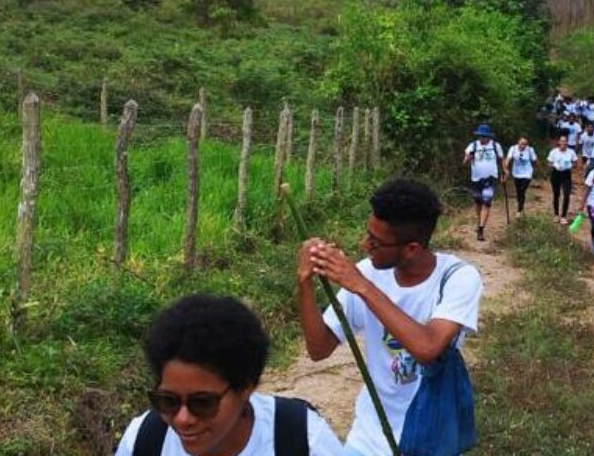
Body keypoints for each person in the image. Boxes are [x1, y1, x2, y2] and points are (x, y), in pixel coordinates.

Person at [297, 178, 483, 456]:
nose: (364, 245)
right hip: (367, 438)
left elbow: (427, 348)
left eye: (376, 242)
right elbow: (318, 349)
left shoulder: (457, 278)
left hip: (428, 435)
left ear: (411, 249)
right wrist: (304, 284)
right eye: (367, 233)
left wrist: (361, 286)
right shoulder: (367, 272)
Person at [114, 293, 343, 456]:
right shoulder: (145, 440)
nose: (183, 419)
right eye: (168, 401)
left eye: (202, 403)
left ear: (245, 388)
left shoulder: (302, 441)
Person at [462, 124, 504, 241]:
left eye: (484, 136)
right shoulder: (472, 146)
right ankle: (479, 222)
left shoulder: (495, 146)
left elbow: (501, 160)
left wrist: (505, 171)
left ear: (489, 137)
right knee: (478, 203)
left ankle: (481, 229)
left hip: (491, 178)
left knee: (486, 202)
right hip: (476, 179)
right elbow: (465, 162)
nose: (482, 138)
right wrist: (468, 158)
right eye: (480, 136)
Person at [545, 134, 579, 224]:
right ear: (559, 142)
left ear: (567, 142)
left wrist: (571, 165)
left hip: (566, 174)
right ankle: (556, 214)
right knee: (556, 194)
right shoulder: (553, 152)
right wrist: (554, 165)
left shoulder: (571, 152)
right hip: (556, 174)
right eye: (562, 141)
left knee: (566, 194)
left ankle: (564, 216)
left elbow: (576, 162)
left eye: (565, 141)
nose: (563, 143)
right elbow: (549, 163)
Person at [503, 136, 538, 217]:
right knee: (519, 191)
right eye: (521, 144)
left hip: (527, 173)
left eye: (525, 144)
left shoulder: (530, 150)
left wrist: (539, 169)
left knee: (522, 190)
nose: (523, 146)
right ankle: (520, 205)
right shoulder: (513, 149)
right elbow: (508, 159)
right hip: (516, 173)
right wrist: (505, 167)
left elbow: (535, 160)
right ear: (518, 142)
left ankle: (519, 210)